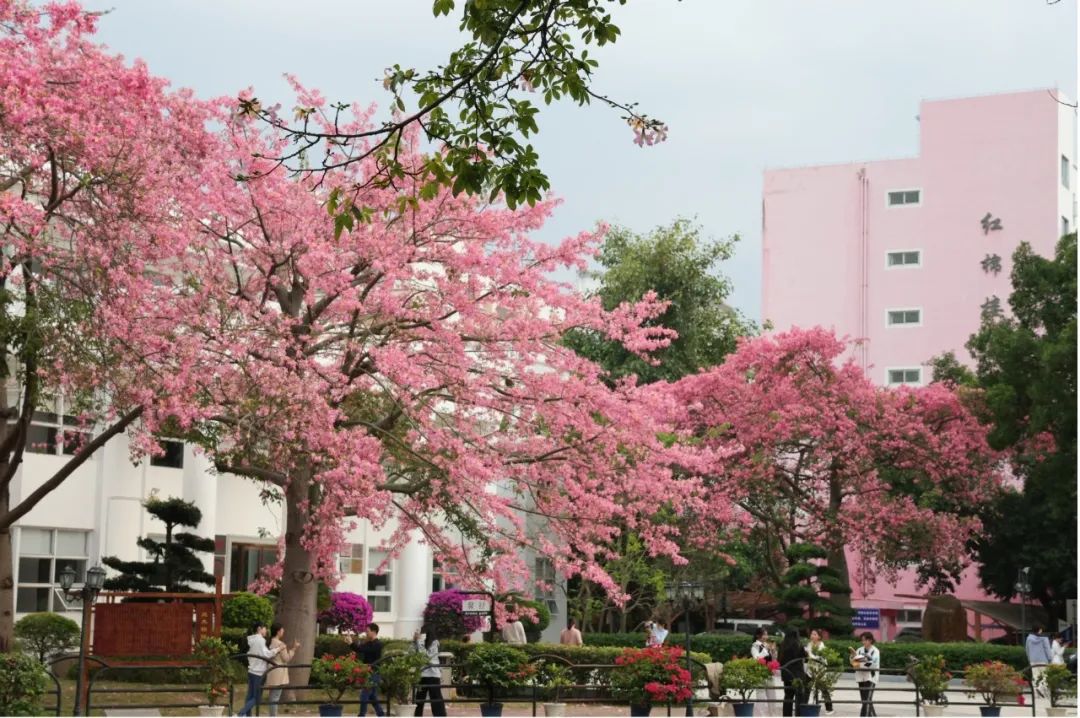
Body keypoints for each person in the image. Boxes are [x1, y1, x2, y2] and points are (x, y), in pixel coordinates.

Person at [238, 621, 284, 717]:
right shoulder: (260, 640)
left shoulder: (251, 639)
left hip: (251, 671)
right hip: (259, 673)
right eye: (265, 628)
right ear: (259, 629)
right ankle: (241, 713)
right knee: (257, 698)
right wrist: (278, 649)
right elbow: (266, 654)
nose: (266, 630)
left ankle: (247, 715)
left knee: (250, 696)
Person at [349, 623, 385, 717]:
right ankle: (381, 715)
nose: (366, 633)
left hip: (374, 673)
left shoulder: (378, 644)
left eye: (368, 631)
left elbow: (366, 650)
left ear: (374, 632)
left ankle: (361, 715)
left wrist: (352, 643)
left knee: (364, 695)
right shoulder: (369, 643)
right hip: (368, 673)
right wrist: (350, 643)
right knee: (372, 697)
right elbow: (359, 649)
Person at [264, 622, 299, 717]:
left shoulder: (269, 642)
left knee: (272, 696)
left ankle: (272, 715)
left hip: (271, 672)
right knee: (275, 698)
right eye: (282, 630)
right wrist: (294, 648)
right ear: (278, 631)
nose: (283, 631)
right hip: (279, 673)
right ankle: (273, 716)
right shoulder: (281, 644)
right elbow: (286, 658)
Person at [412, 625, 446, 717]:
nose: (421, 634)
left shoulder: (435, 643)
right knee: (419, 699)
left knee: (436, 699)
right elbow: (412, 653)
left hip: (433, 674)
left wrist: (419, 642)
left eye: (422, 632)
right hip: (422, 674)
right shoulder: (419, 642)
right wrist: (414, 641)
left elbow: (427, 658)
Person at [751, 628, 780, 717]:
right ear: (758, 635)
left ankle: (773, 715)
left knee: (772, 697)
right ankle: (761, 716)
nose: (766, 636)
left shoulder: (767, 645)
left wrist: (773, 651)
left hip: (769, 674)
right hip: (760, 674)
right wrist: (765, 650)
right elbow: (757, 658)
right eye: (764, 634)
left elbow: (774, 659)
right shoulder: (755, 646)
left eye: (766, 634)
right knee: (761, 697)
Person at [805, 629, 834, 715]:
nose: (812, 636)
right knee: (806, 688)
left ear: (819, 637)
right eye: (812, 634)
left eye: (815, 634)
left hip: (820, 671)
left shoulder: (822, 647)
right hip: (811, 670)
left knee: (824, 690)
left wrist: (809, 654)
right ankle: (804, 705)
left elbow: (818, 658)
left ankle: (829, 708)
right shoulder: (809, 644)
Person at [779, 629, 807, 717]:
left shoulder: (783, 645)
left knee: (788, 696)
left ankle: (786, 715)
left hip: (786, 674)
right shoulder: (798, 644)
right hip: (797, 674)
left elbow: (779, 660)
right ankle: (799, 715)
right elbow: (804, 656)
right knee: (799, 696)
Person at [852, 632, 880, 717]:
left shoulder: (875, 651)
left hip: (871, 677)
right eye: (862, 640)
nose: (863, 642)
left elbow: (872, 664)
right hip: (860, 677)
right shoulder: (859, 650)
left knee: (867, 701)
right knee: (865, 701)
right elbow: (854, 662)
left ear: (870, 640)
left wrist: (860, 660)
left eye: (865, 640)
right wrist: (854, 660)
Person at [1026, 625, 1054, 701]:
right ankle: (1041, 688)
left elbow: (1027, 650)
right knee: (1046, 676)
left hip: (1033, 660)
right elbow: (1047, 649)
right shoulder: (1044, 639)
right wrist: (1050, 659)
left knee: (1035, 676)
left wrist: (1029, 659)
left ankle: (1035, 693)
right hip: (1043, 660)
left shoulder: (1028, 639)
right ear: (1040, 630)